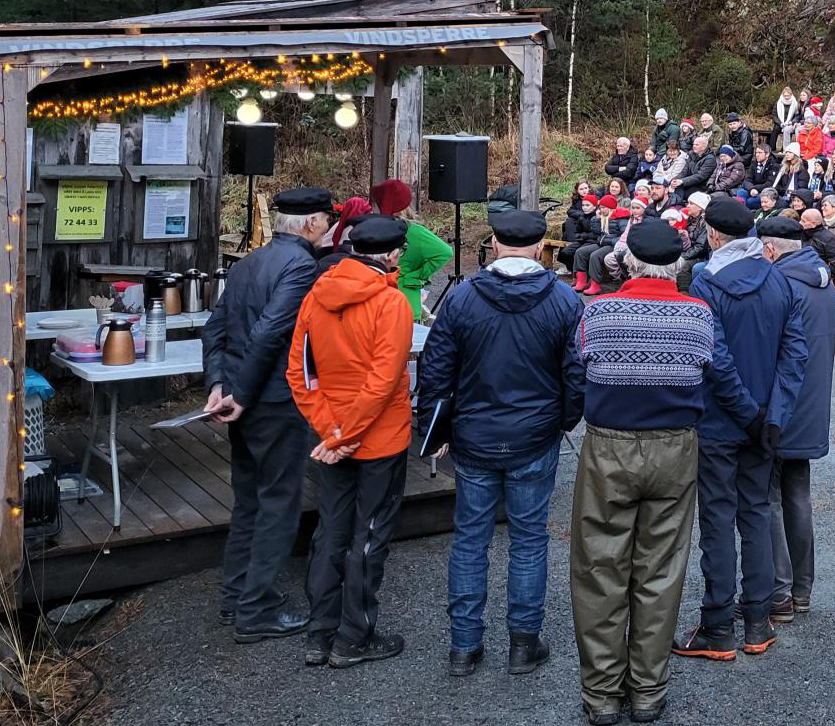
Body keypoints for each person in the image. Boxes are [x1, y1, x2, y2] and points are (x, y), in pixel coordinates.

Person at [570, 220, 756, 725]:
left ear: (628, 262)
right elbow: (722, 375)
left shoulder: (599, 312)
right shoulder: (698, 315)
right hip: (677, 450)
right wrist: (755, 423)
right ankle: (648, 692)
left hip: (609, 447)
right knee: (660, 570)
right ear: (678, 265)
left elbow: (575, 372)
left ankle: (602, 696)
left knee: (599, 569)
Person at [417, 209, 585, 678]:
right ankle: (522, 644)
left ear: (493, 245)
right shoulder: (563, 300)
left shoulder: (463, 298)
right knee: (529, 540)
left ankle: (464, 648)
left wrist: (436, 429)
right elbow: (576, 373)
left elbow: (436, 368)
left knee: (470, 539)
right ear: (538, 249)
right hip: (535, 434)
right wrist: (564, 420)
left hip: (474, 435)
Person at [674, 199, 808, 662]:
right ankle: (756, 621)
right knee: (753, 515)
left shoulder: (706, 281)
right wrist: (774, 416)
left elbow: (715, 357)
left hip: (720, 421)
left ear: (713, 235)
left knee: (716, 518)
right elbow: (796, 356)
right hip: (764, 424)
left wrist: (752, 415)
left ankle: (717, 625)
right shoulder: (779, 279)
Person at [202, 187, 334, 642]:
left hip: (244, 398)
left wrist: (219, 385)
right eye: (327, 221)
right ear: (313, 224)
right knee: (278, 504)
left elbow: (214, 328)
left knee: (249, 501)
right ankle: (255, 609)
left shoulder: (248, 262)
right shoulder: (301, 266)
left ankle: (235, 596)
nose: (330, 228)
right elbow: (269, 332)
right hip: (275, 400)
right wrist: (237, 391)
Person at [287, 215, 414, 669]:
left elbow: (300, 373)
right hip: (377, 438)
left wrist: (330, 430)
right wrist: (346, 434)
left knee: (330, 531)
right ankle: (354, 637)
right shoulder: (392, 303)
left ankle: (319, 634)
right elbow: (382, 383)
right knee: (369, 535)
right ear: (393, 255)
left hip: (332, 436)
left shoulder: (315, 296)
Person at [757, 217, 835, 625]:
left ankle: (779, 592)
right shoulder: (824, 283)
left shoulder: (779, 285)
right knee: (797, 497)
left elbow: (768, 350)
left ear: (769, 250)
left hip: (782, 407)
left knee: (768, 498)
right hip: (812, 406)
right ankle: (801, 590)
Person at [370, 178, 454, 321]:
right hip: (407, 301)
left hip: (378, 302)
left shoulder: (373, 229)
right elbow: (445, 252)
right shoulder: (415, 232)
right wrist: (416, 275)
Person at [572, 202, 630, 295]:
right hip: (601, 243)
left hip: (612, 245)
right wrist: (596, 219)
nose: (601, 210)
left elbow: (625, 235)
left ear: (610, 208)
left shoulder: (620, 219)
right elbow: (596, 232)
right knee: (580, 252)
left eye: (604, 208)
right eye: (600, 208)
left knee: (595, 256)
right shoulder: (603, 217)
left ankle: (595, 285)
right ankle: (581, 282)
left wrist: (611, 241)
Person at [800, 207, 835, 282]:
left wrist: (819, 276)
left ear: (813, 224)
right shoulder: (800, 234)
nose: (800, 223)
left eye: (803, 221)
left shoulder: (829, 240)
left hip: (818, 278)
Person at [558, 194, 601, 271]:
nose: (584, 207)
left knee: (579, 252)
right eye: (583, 205)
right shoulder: (582, 217)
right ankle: (574, 272)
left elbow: (597, 233)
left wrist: (583, 236)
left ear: (594, 206)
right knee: (565, 252)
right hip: (582, 240)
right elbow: (578, 230)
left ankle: (584, 274)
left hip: (593, 241)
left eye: (587, 205)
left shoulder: (597, 217)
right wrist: (578, 236)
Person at [673, 135, 718, 201]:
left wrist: (682, 181)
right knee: (673, 187)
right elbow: (685, 171)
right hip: (689, 183)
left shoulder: (710, 159)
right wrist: (675, 179)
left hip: (701, 186)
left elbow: (700, 177)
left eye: (697, 145)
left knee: (679, 191)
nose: (694, 146)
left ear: (704, 147)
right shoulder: (692, 154)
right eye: (694, 144)